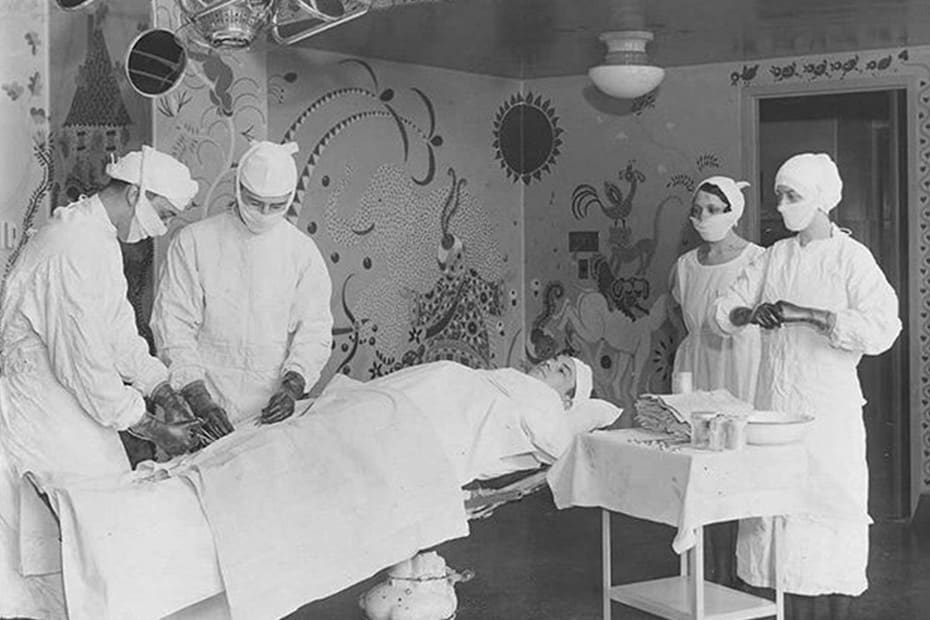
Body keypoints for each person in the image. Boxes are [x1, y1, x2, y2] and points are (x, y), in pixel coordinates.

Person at [0, 145, 203, 619]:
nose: (163, 226)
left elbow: (117, 333)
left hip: (74, 409)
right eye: (164, 214)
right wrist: (150, 427)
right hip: (43, 416)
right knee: (50, 560)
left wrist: (162, 390)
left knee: (91, 547)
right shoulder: (70, 246)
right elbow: (84, 367)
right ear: (136, 193)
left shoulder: (96, 238)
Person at [712, 153, 901, 619]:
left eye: (791, 196)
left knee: (824, 512)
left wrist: (810, 315)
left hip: (827, 414)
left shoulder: (850, 258)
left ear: (821, 200)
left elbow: (883, 327)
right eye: (779, 195)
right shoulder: (775, 256)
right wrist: (748, 314)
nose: (781, 205)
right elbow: (724, 308)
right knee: (772, 516)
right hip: (774, 409)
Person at [151, 140, 334, 435]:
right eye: (254, 201)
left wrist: (293, 388)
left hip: (269, 407)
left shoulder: (301, 252)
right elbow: (173, 326)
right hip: (202, 397)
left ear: (289, 199)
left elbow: (314, 331)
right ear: (238, 189)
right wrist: (199, 401)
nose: (263, 212)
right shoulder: (194, 242)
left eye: (275, 206)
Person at [667, 176, 764, 586]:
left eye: (712, 208)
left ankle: (745, 572)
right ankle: (713, 569)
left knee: (738, 467)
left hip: (740, 368)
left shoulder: (758, 259)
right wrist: (691, 346)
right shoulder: (686, 265)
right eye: (697, 209)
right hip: (697, 368)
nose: (702, 217)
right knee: (700, 467)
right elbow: (675, 314)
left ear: (734, 212)